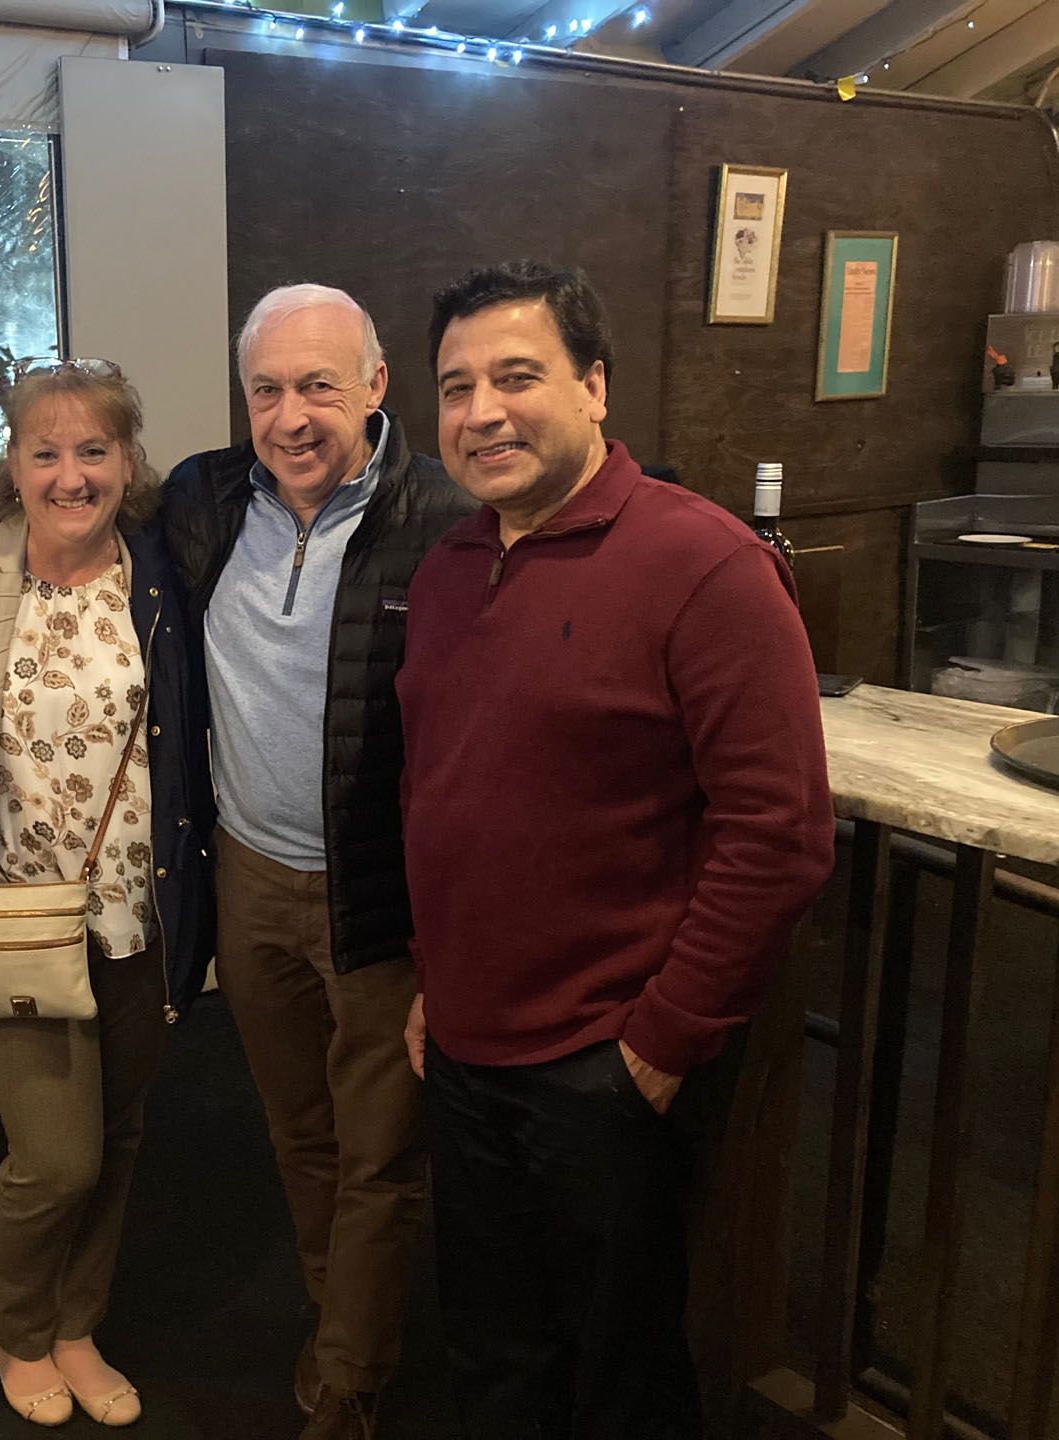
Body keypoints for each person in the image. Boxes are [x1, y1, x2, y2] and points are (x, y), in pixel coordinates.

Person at [397, 260, 835, 1439]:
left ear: (595, 388)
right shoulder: (444, 571)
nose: (481, 410)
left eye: (516, 376)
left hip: (607, 1065)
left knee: (622, 1373)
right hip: (468, 1051)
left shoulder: (704, 564)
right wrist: (440, 985)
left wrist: (659, 1043)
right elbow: (446, 793)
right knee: (493, 1356)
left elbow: (781, 835)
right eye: (456, 386)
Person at [161, 284, 471, 1440]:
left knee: (383, 1151)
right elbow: (66, 490)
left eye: (319, 385)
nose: (292, 416)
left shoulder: (443, 519)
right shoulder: (203, 500)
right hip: (249, 874)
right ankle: (341, 1308)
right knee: (298, 1129)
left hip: (379, 893)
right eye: (268, 390)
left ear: (377, 386)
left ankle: (349, 1377)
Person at [0, 359, 215, 1428]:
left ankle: (78, 1326)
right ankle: (18, 1330)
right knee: (54, 1156)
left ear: (129, 461)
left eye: (94, 451)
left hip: (140, 909)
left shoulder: (165, 565)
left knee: (116, 1138)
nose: (70, 475)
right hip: (15, 919)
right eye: (46, 451)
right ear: (11, 464)